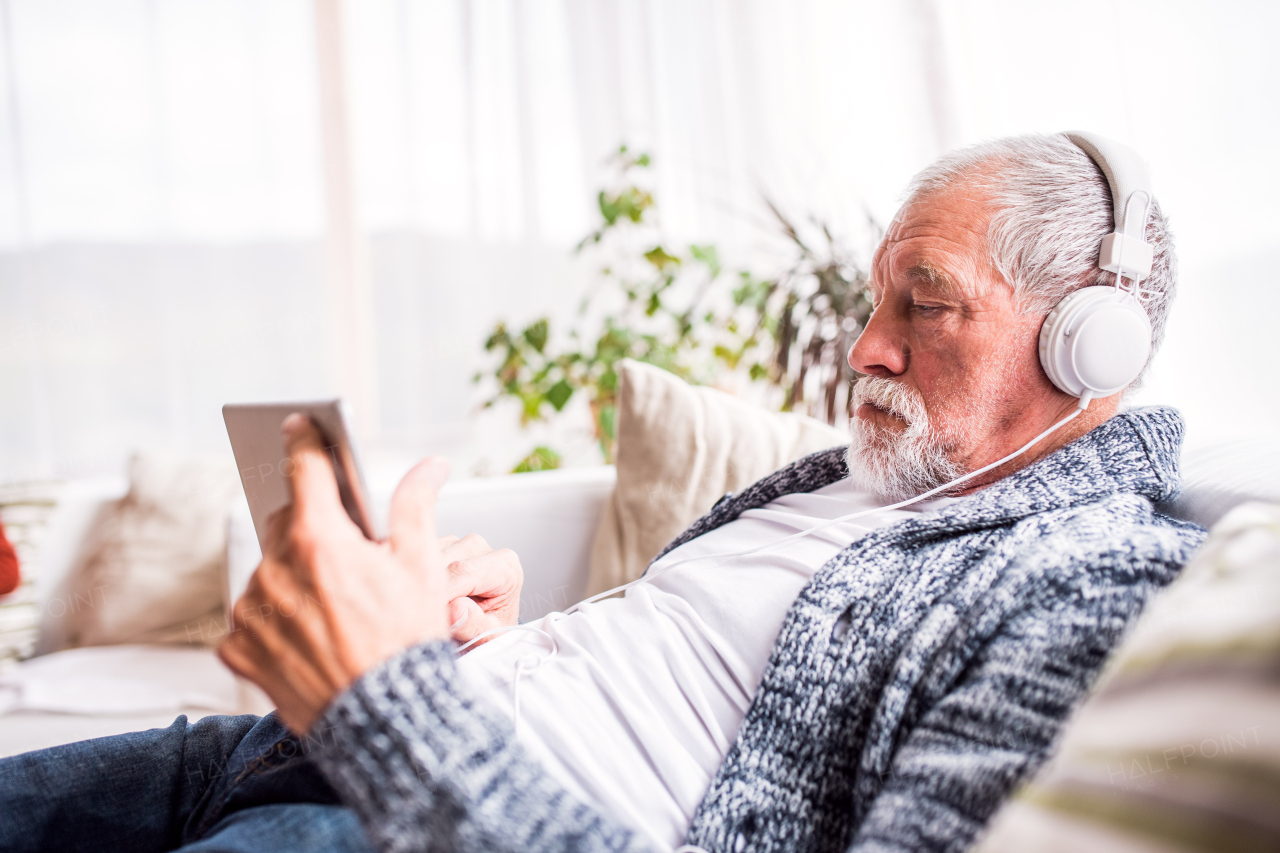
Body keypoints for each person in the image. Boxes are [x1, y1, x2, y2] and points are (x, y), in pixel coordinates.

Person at [0, 134, 1207, 853]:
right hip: (288, 747)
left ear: (1081, 344)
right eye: (875, 298)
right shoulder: (861, 483)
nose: (863, 348)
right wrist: (490, 647)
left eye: (924, 303)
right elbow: (663, 691)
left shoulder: (1089, 585)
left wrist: (387, 708)